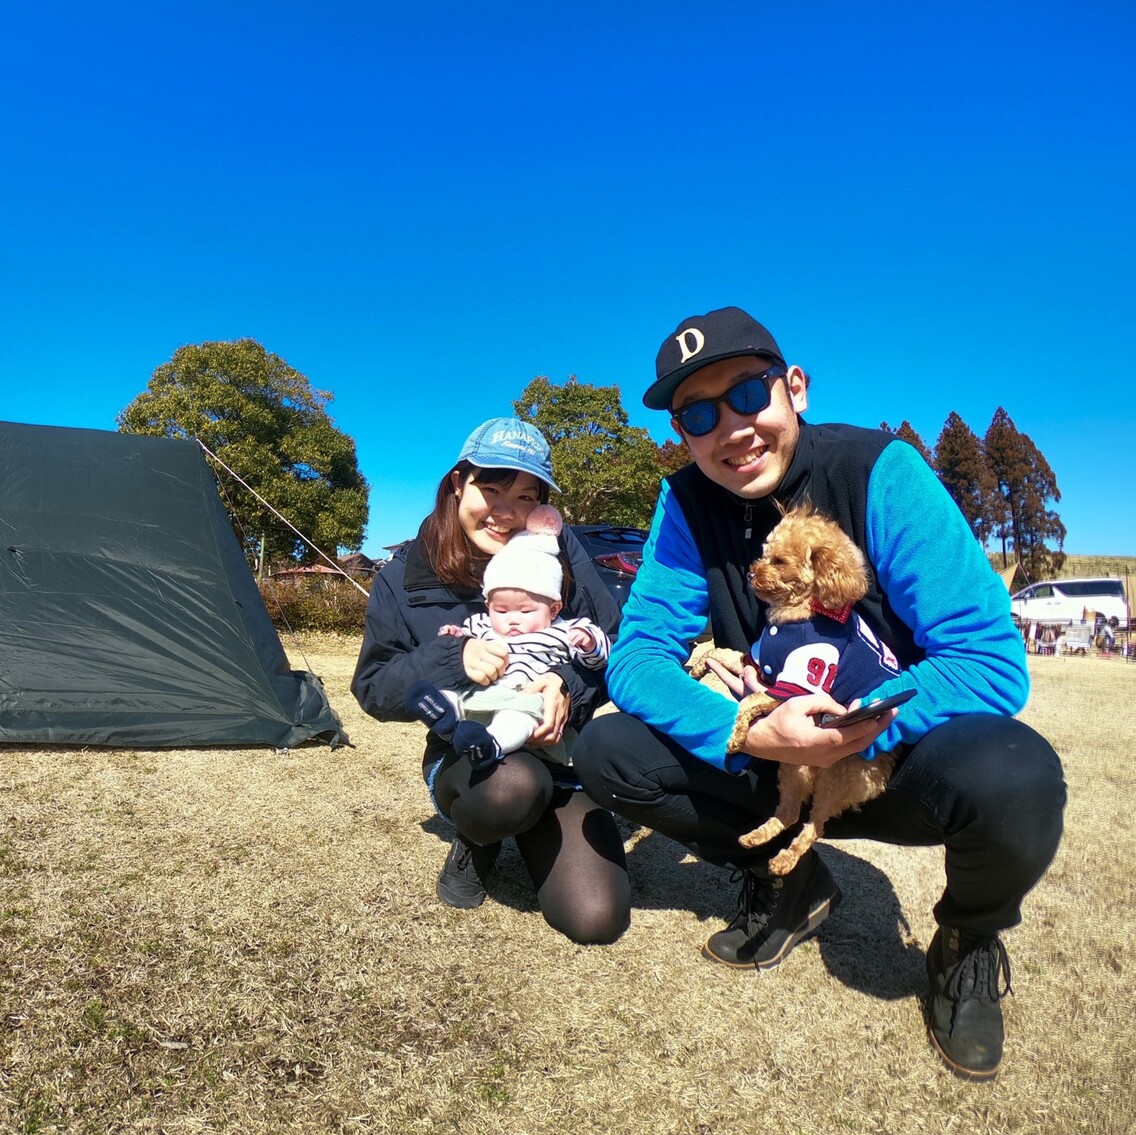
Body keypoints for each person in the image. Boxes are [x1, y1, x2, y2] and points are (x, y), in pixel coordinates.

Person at [572, 307, 1065, 1081]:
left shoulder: (881, 471)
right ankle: (789, 880)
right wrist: (751, 732)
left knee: (1018, 775)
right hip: (775, 756)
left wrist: (853, 725)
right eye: (698, 414)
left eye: (747, 394)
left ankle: (967, 940)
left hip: (898, 755)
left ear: (794, 386)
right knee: (607, 749)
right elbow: (635, 660)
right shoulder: (685, 504)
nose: (730, 429)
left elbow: (991, 659)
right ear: (682, 433)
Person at [353, 418, 631, 943]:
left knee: (596, 918)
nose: (506, 513)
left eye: (526, 496)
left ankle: (539, 821)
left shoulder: (561, 552)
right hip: (470, 752)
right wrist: (453, 657)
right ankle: (476, 840)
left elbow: (614, 642)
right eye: (492, 489)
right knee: (513, 785)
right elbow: (373, 689)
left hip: (557, 749)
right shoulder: (405, 573)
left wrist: (566, 686)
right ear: (458, 482)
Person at [405, 503, 610, 771]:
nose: (512, 618)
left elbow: (600, 656)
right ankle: (443, 716)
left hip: (525, 698)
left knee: (518, 719)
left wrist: (589, 642)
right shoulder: (485, 625)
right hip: (481, 694)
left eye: (526, 610)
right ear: (488, 605)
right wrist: (455, 639)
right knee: (454, 697)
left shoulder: (561, 630)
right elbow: (462, 637)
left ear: (554, 608)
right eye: (500, 609)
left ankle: (491, 744)